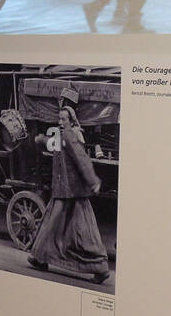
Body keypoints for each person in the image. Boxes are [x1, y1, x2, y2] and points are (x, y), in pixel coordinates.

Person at [26, 88, 110, 284]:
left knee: (78, 231)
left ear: (71, 120)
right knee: (54, 227)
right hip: (64, 191)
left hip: (72, 192)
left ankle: (99, 267)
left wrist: (93, 181)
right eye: (59, 118)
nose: (59, 121)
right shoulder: (64, 136)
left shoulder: (71, 135)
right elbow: (53, 144)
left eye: (63, 119)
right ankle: (40, 258)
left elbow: (82, 161)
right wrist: (40, 140)